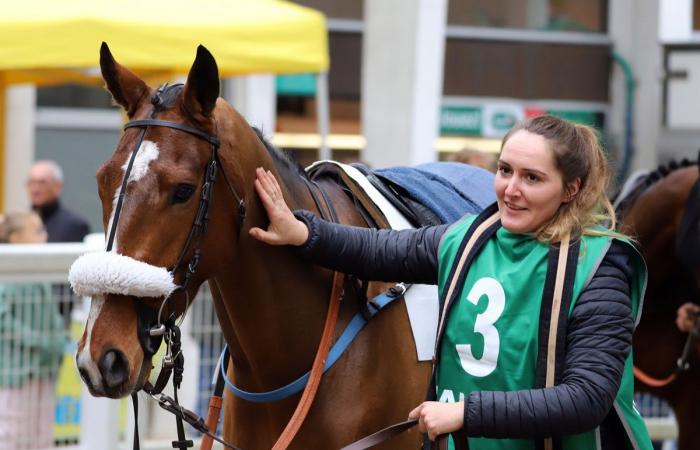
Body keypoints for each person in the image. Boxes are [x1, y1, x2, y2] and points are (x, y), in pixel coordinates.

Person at [248, 115, 653, 449]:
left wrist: (465, 413)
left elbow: (586, 399)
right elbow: (377, 250)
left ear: (571, 189)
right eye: (505, 170)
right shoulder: (467, 238)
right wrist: (303, 232)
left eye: (532, 178)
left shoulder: (601, 267)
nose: (510, 190)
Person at [0, 212, 67, 449]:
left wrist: (58, 340)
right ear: (16, 238)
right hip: (18, 372)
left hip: (44, 369)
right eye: (37, 231)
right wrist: (38, 340)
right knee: (13, 434)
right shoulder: (7, 272)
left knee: (42, 436)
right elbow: (2, 316)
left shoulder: (39, 270)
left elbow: (51, 314)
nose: (45, 235)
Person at [27, 160, 89, 243]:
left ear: (58, 187)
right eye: (32, 182)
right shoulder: (20, 224)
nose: (35, 189)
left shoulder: (74, 226)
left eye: (42, 183)